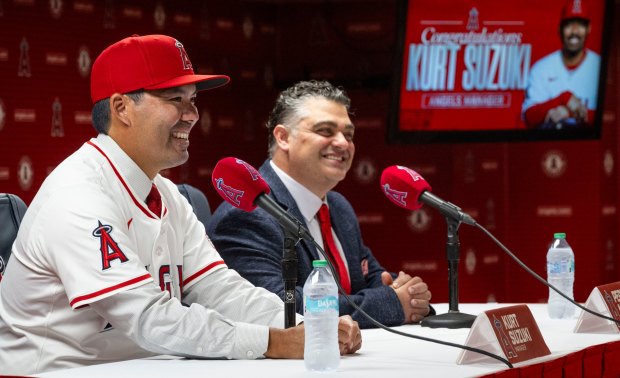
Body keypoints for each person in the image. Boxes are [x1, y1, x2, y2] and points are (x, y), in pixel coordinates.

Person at [0, 35, 361, 376]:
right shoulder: (77, 194)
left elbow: (219, 288)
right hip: (55, 372)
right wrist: (274, 342)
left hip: (141, 367)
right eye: (175, 99)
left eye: (193, 100)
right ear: (122, 107)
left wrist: (303, 324)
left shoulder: (167, 194)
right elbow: (148, 318)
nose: (192, 114)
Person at [207, 80, 434, 329]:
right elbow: (280, 307)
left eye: (349, 134)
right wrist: (391, 304)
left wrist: (409, 294)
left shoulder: (338, 207)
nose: (343, 143)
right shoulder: (246, 215)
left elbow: (374, 278)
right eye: (325, 131)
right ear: (283, 137)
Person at [521, 0, 601, 129]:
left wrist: (568, 112)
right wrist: (563, 98)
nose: (574, 31)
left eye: (580, 25)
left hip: (588, 144)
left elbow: (610, 118)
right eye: (569, 25)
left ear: (589, 28)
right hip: (546, 143)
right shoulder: (541, 68)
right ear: (560, 29)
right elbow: (529, 116)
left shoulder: (600, 66)